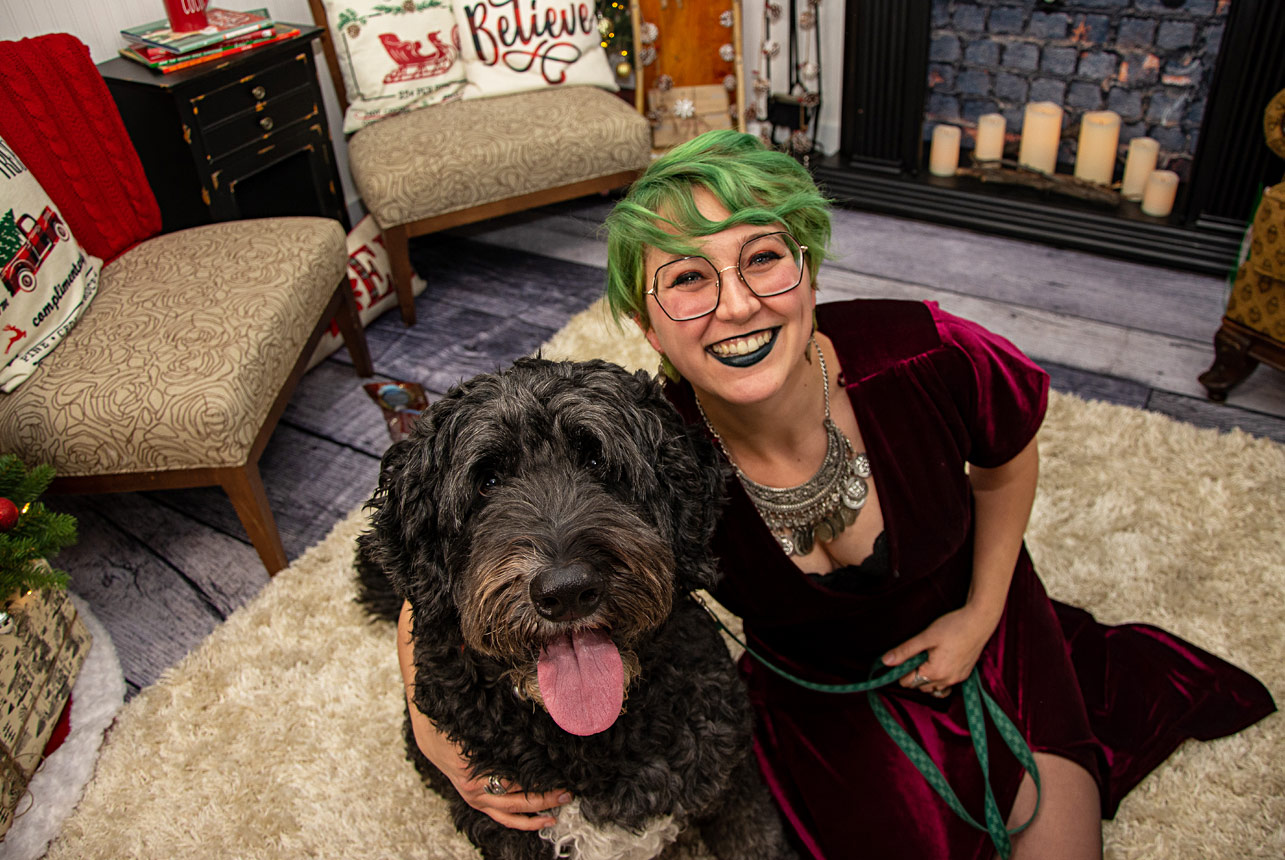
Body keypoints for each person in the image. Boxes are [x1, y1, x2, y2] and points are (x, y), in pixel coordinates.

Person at [397, 130, 1275, 859]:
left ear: (807, 271)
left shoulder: (928, 354)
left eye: (764, 260)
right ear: (645, 317)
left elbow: (1007, 463)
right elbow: (421, 564)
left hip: (987, 627)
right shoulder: (643, 448)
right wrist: (436, 735)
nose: (737, 304)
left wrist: (980, 614)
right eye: (689, 279)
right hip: (816, 687)